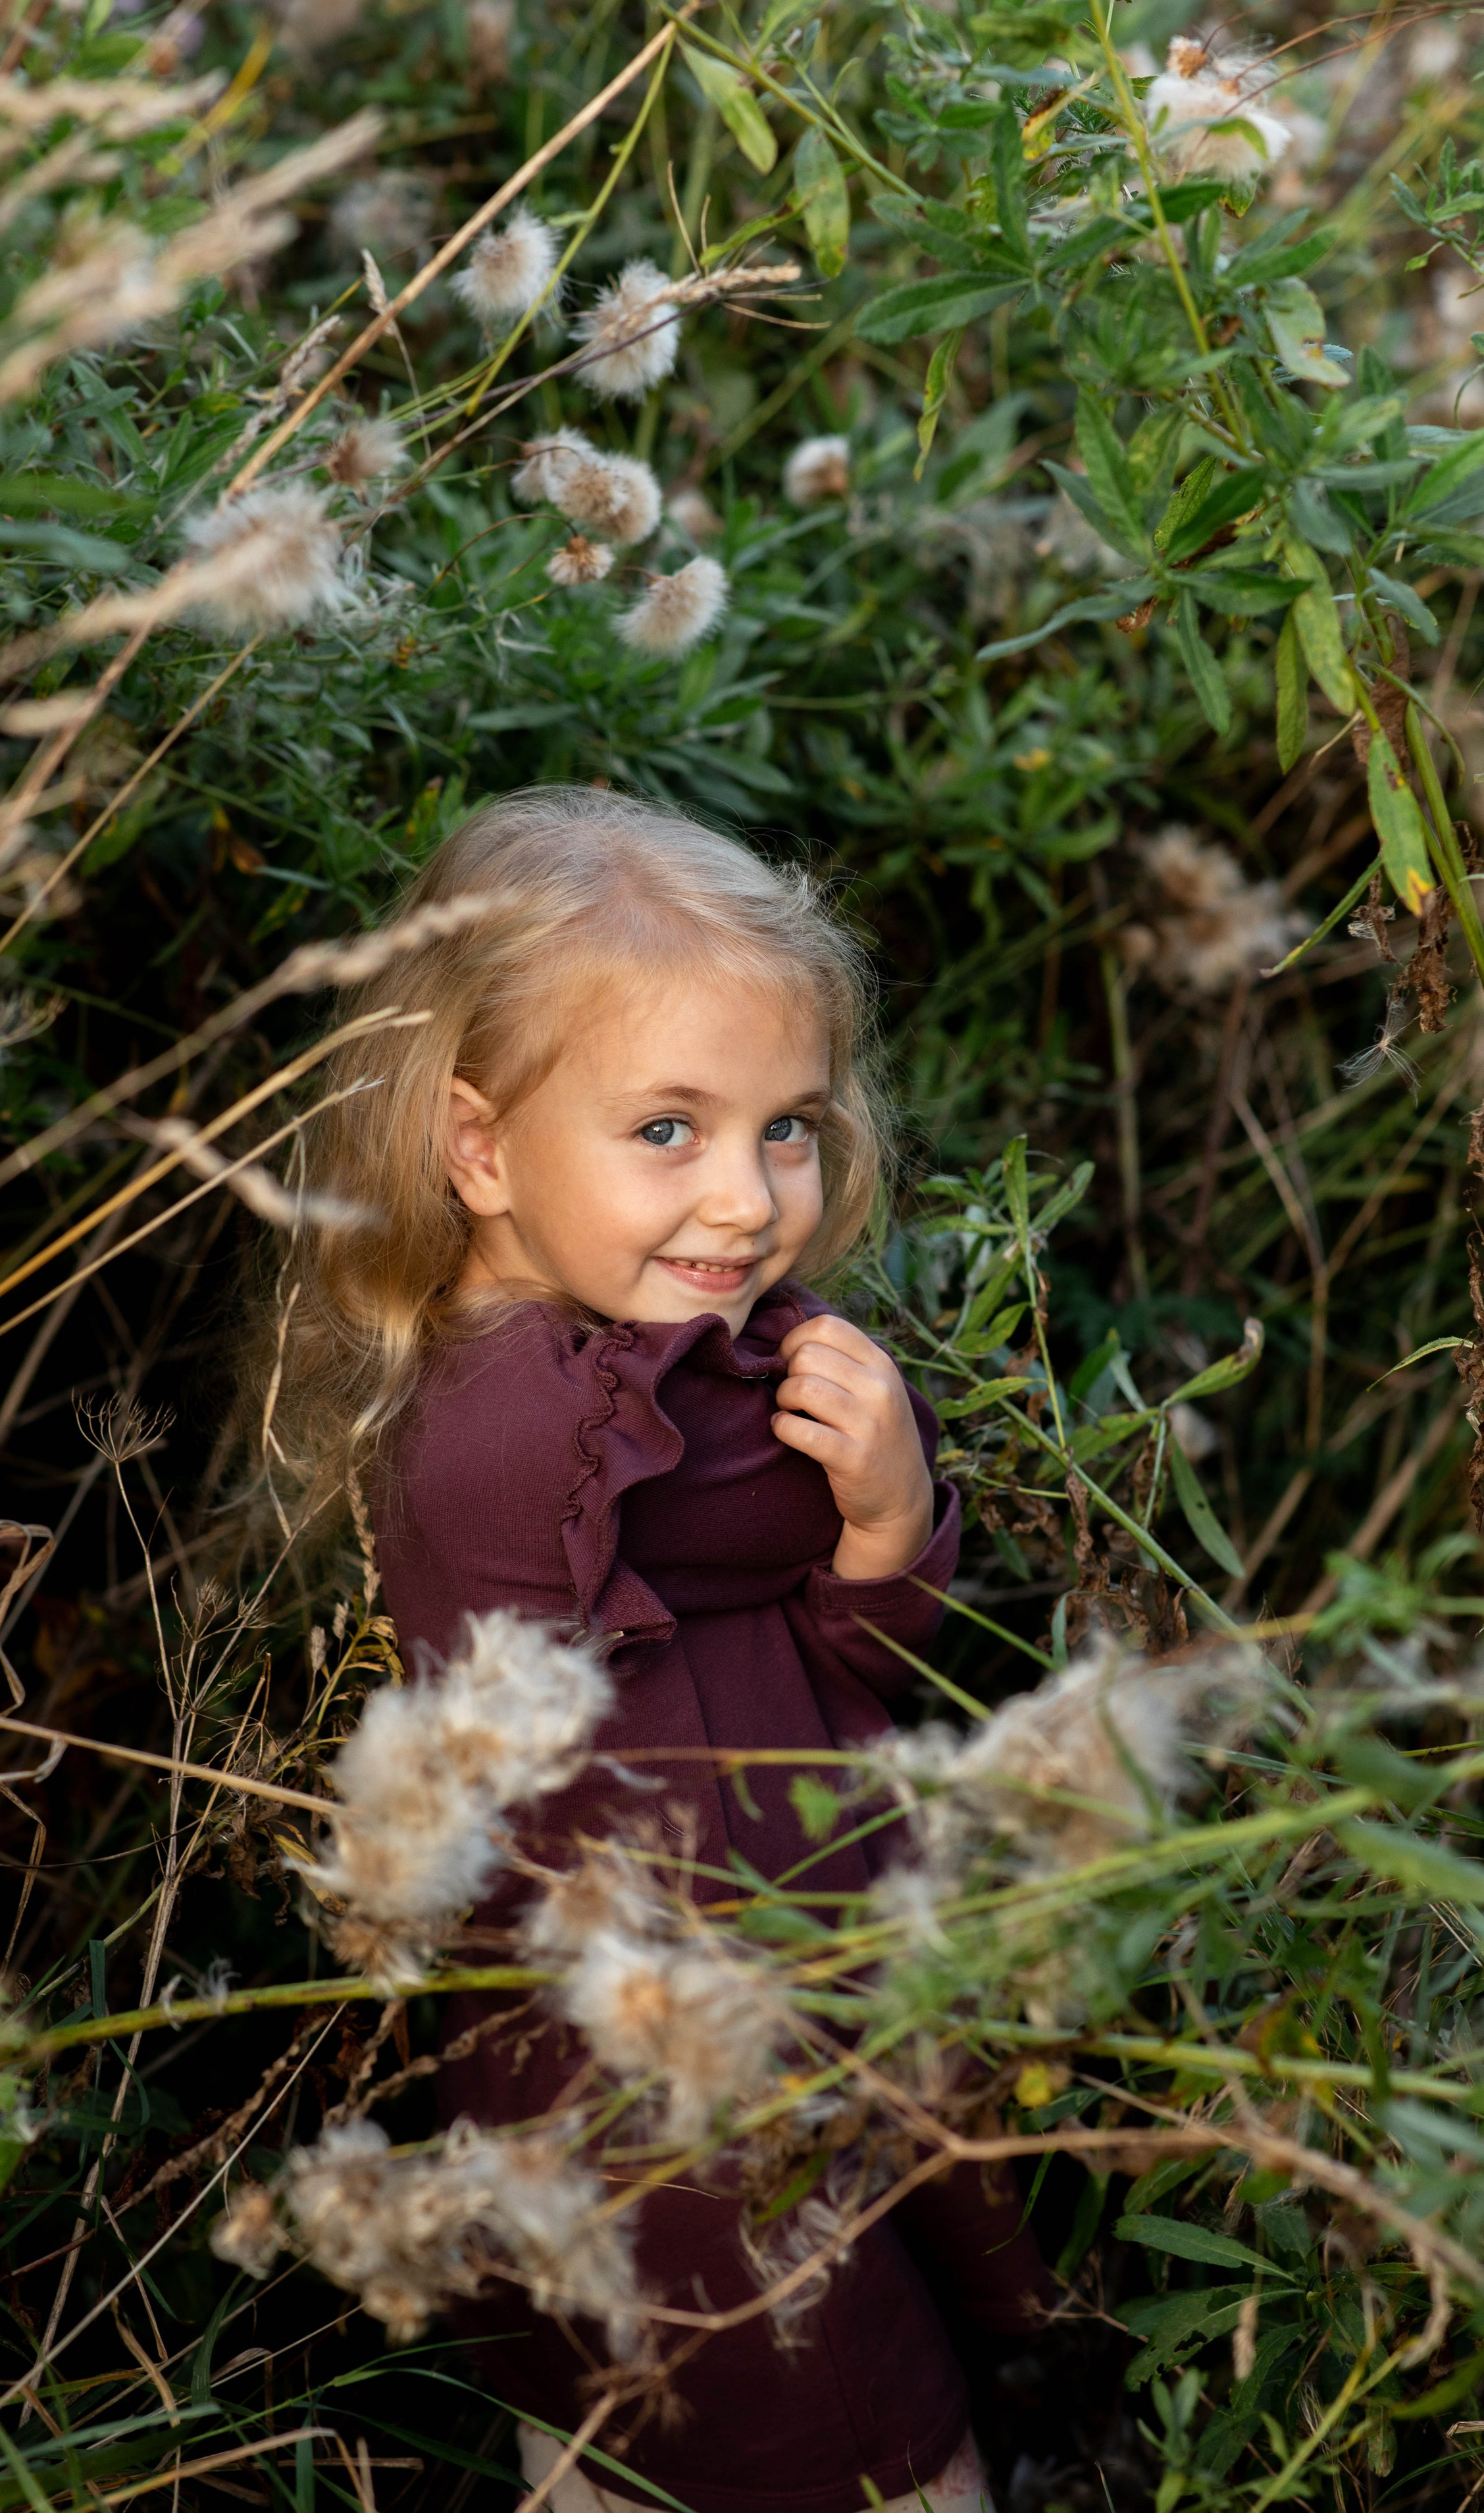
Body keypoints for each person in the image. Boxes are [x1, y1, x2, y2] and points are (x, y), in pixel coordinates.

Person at [269, 787, 1047, 2513]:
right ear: (480, 1150)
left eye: (787, 1129)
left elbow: (831, 1682)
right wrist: (877, 1477)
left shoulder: (655, 1359)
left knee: (672, 2425)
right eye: (670, 1131)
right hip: (671, 2090)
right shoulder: (513, 1430)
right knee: (838, 2431)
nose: (751, 1200)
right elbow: (752, 1528)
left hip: (786, 2004)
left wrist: (882, 1538)